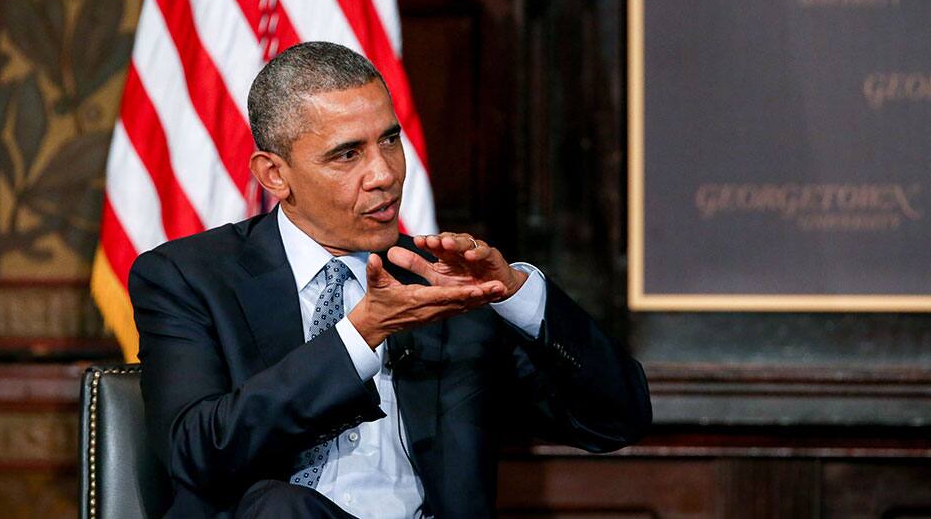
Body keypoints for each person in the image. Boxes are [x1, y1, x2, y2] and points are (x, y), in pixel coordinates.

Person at [129, 41, 652, 519]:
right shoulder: (188, 277)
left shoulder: (436, 283)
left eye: (390, 140)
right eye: (348, 154)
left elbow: (614, 421)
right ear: (274, 175)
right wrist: (359, 338)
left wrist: (517, 296)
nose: (384, 174)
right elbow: (196, 455)